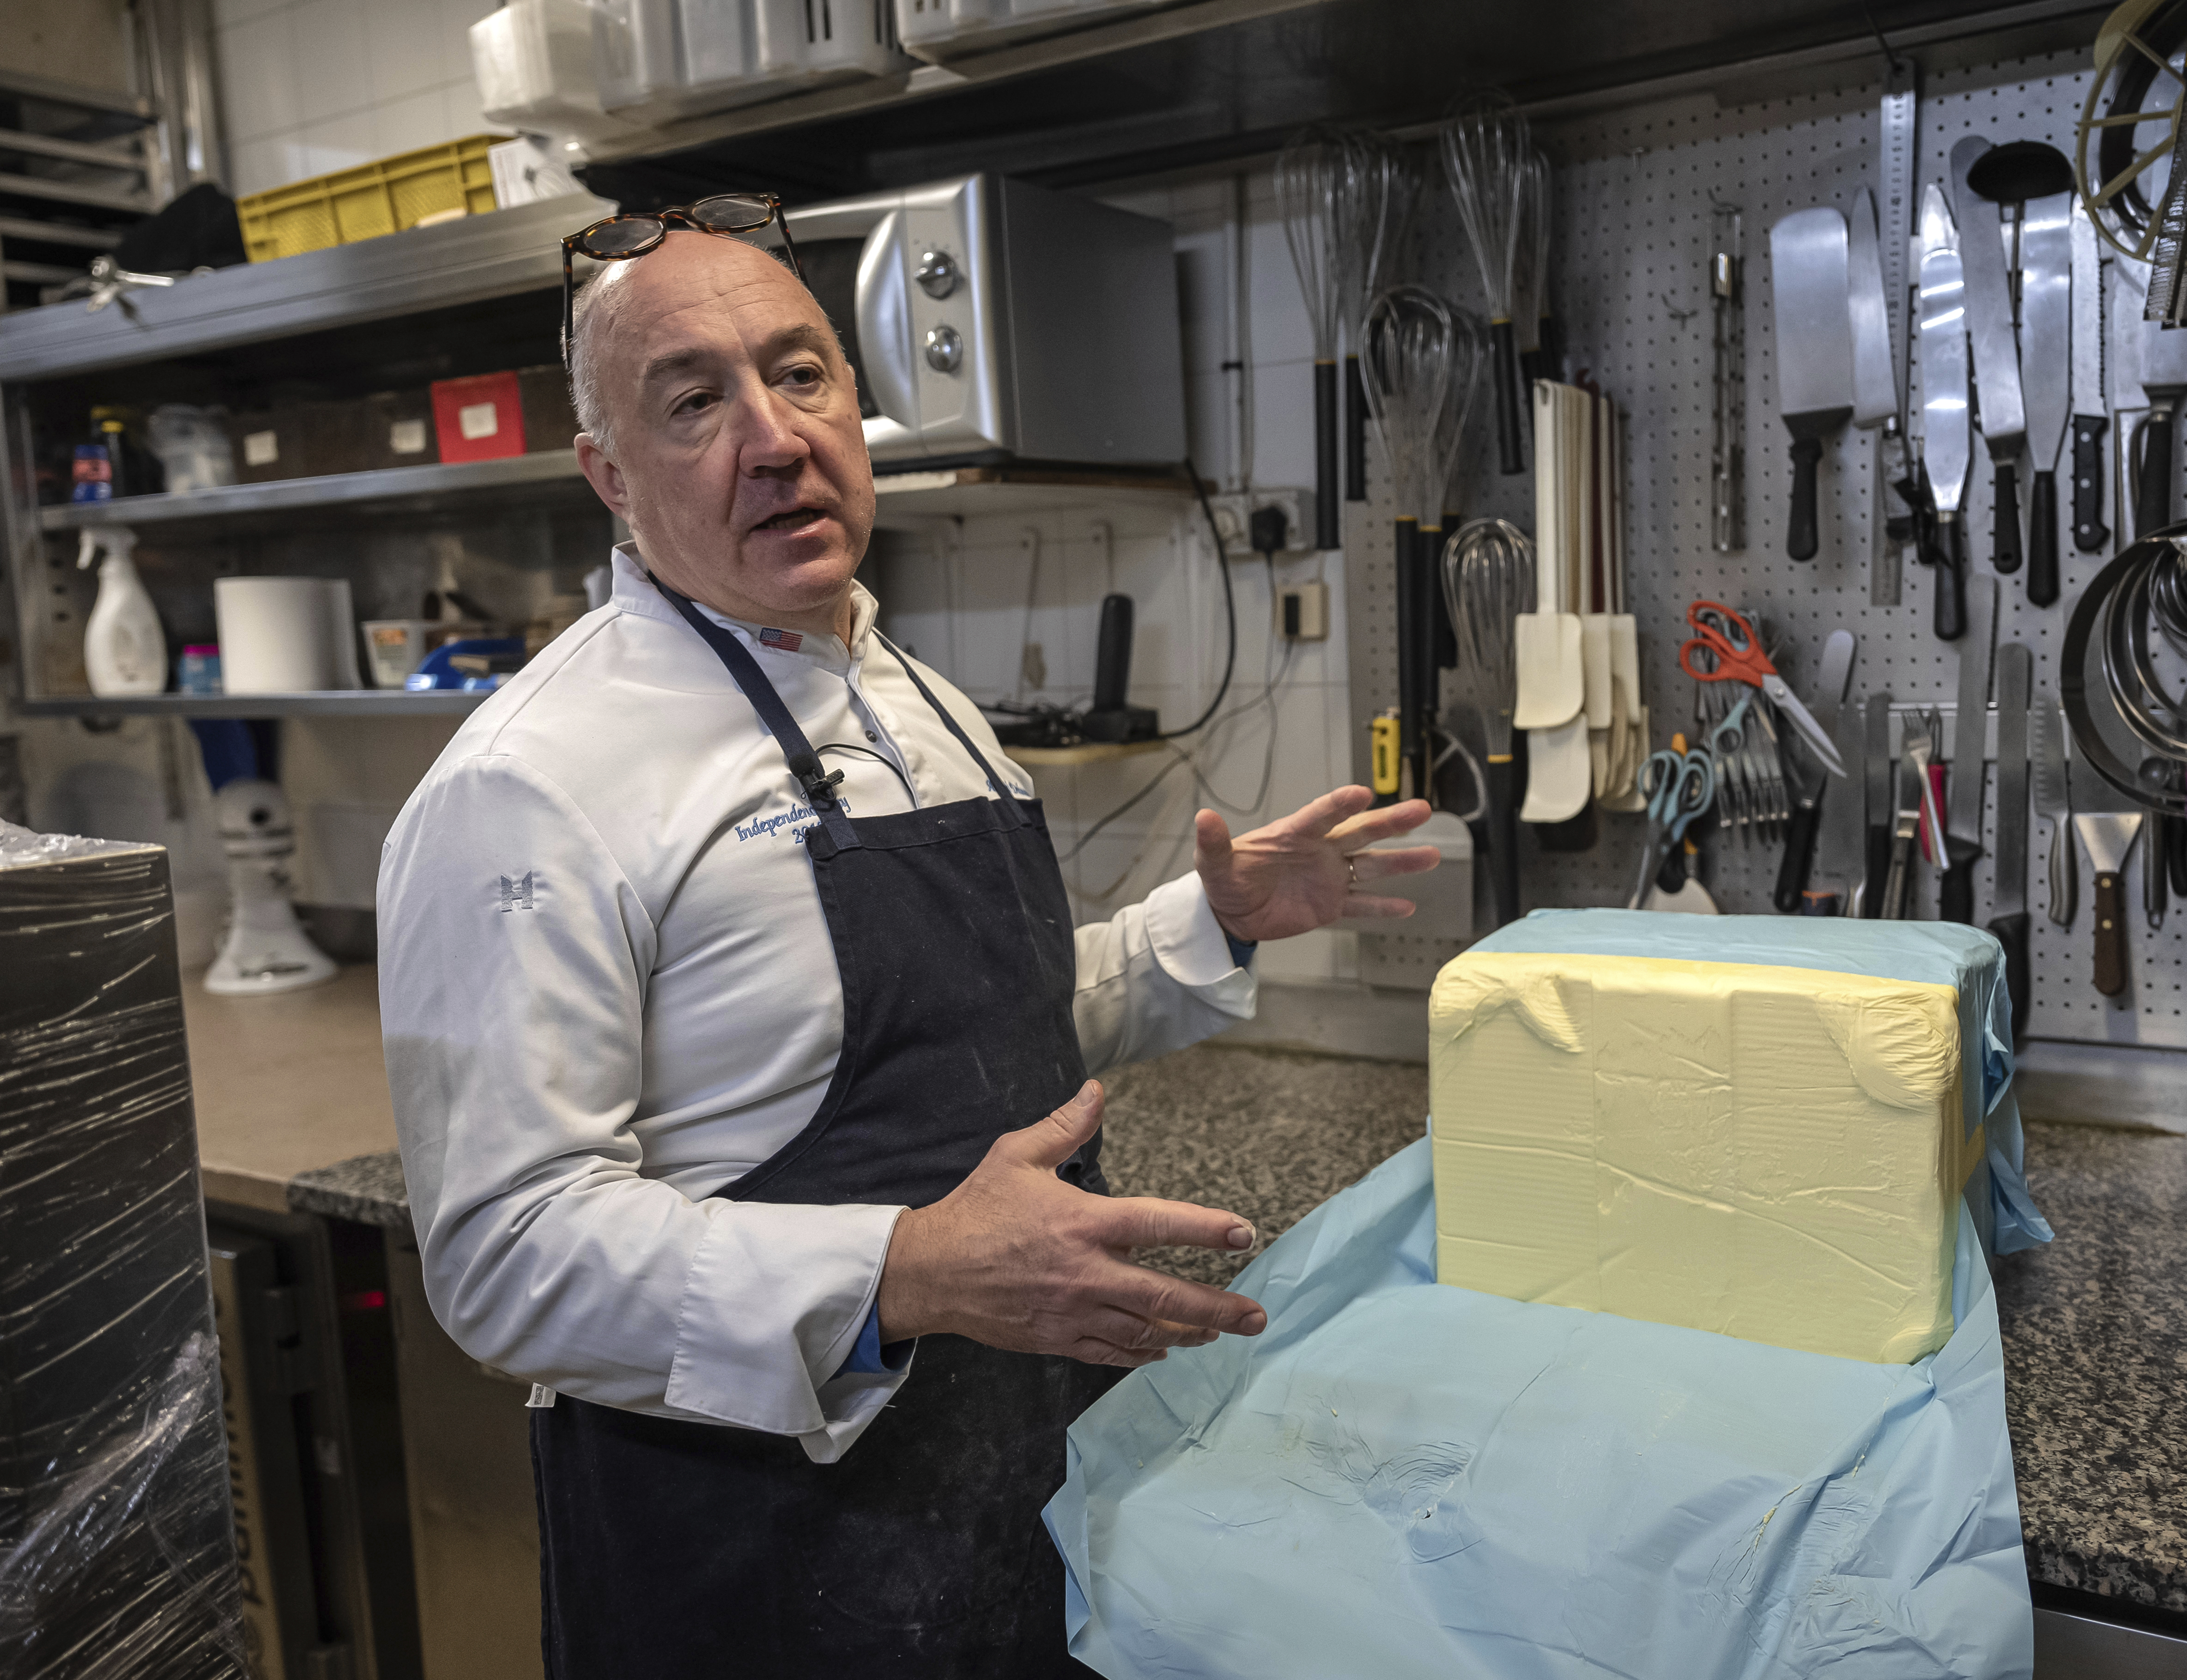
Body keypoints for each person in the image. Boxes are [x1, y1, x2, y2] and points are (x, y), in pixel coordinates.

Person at [376, 202, 1438, 1677]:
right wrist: (909, 1272)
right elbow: (505, 1255)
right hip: (749, 1557)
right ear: (609, 478)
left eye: (800, 374)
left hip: (1008, 1484)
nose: (773, 435)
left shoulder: (916, 696)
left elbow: (998, 1044)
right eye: (696, 402)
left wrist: (1213, 926)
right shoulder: (526, 788)